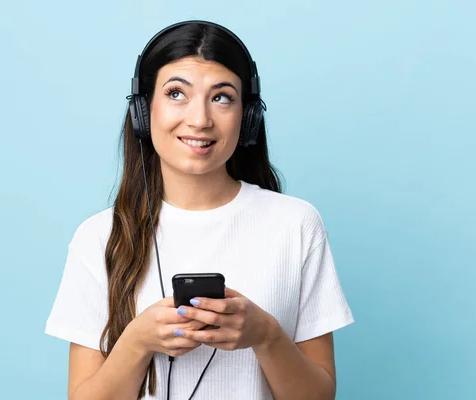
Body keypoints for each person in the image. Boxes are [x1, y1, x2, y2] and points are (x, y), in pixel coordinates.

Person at [45, 20, 354, 400]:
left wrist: (266, 335)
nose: (200, 119)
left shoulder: (296, 224)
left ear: (248, 117)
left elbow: (318, 396)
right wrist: (138, 341)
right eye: (177, 93)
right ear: (144, 112)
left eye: (222, 97)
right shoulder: (98, 237)